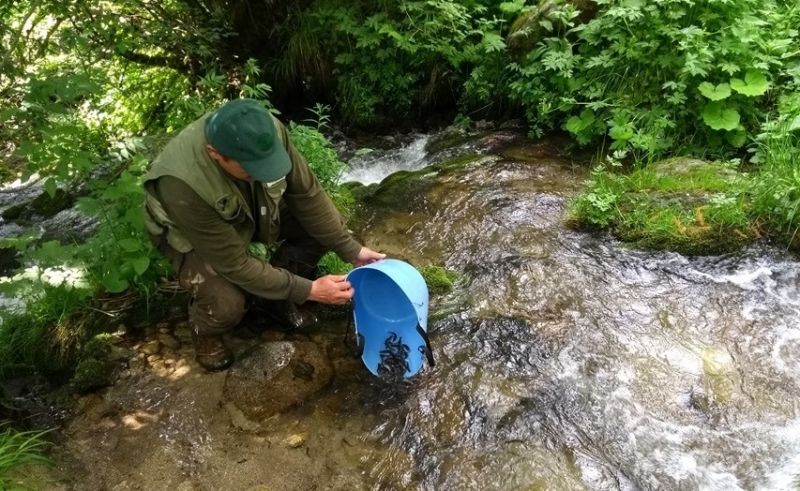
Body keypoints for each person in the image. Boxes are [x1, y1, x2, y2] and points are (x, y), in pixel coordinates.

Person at [142, 98, 384, 371]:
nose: (262, 173)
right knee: (227, 305)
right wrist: (310, 290)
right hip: (189, 232)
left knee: (325, 228)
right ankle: (204, 331)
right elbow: (234, 264)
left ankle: (274, 296)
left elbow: (307, 195)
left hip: (250, 208)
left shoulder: (265, 132)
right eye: (251, 168)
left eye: (267, 165)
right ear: (215, 153)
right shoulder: (181, 184)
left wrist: (351, 249)